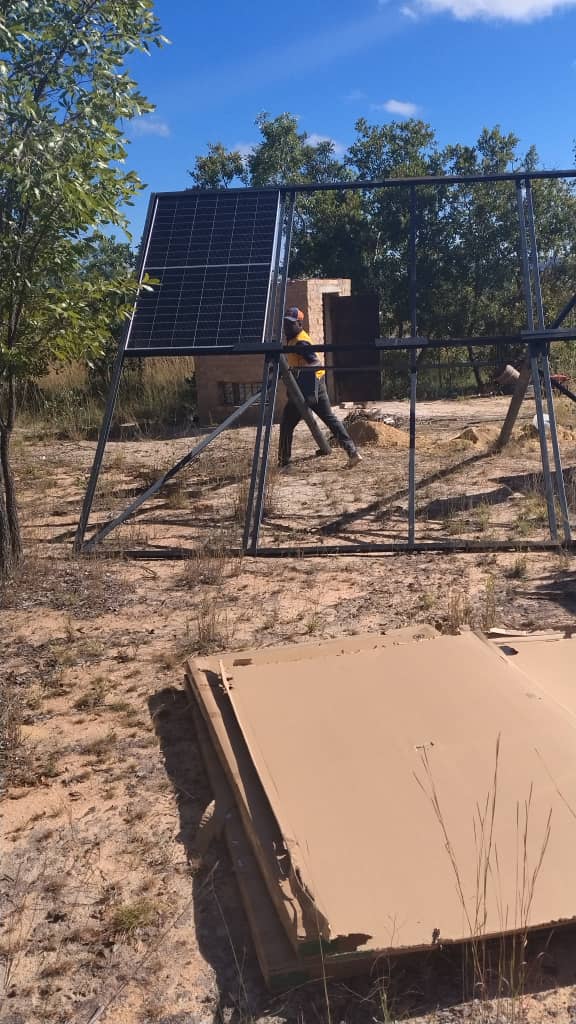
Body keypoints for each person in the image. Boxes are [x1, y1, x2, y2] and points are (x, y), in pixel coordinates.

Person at [278, 307, 362, 469]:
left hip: (305, 386)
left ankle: (284, 462)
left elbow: (315, 362)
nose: (286, 326)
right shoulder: (292, 338)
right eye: (285, 323)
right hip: (316, 382)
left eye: (290, 323)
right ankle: (352, 452)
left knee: (287, 423)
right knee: (330, 419)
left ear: (299, 324)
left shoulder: (301, 341)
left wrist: (302, 380)